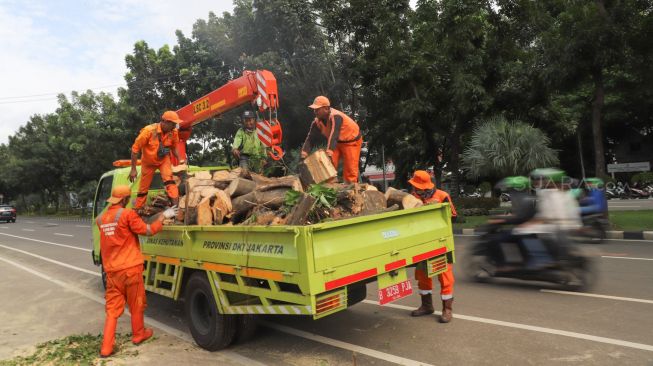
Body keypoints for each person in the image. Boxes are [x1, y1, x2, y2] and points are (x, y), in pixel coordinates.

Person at [97, 185, 177, 357]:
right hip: (130, 269)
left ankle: (106, 348)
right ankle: (139, 334)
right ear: (125, 199)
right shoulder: (126, 214)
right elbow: (146, 230)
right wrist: (163, 216)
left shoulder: (101, 219)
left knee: (112, 310)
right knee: (136, 303)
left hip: (111, 272)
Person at [407, 170, 456, 323]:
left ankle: (447, 309)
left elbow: (453, 217)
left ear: (426, 186)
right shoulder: (412, 198)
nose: (415, 190)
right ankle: (426, 306)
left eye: (417, 187)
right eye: (414, 187)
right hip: (421, 244)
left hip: (439, 242)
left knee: (445, 276)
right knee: (422, 274)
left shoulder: (442, 196)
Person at [130, 111, 185, 209]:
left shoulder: (174, 132)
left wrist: (180, 160)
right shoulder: (148, 131)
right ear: (165, 122)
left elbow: (174, 147)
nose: (175, 126)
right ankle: (138, 210)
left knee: (170, 181)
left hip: (163, 160)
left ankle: (176, 208)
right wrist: (133, 169)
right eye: (173, 124)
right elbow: (135, 150)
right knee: (143, 189)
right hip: (148, 163)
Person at [301, 96, 362, 183]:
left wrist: (329, 152)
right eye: (314, 109)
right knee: (329, 164)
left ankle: (351, 189)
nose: (315, 111)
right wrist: (304, 154)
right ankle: (330, 185)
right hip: (336, 143)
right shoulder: (316, 122)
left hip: (351, 142)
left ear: (326, 108)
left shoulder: (336, 116)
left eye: (317, 109)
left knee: (350, 169)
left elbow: (334, 134)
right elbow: (310, 138)